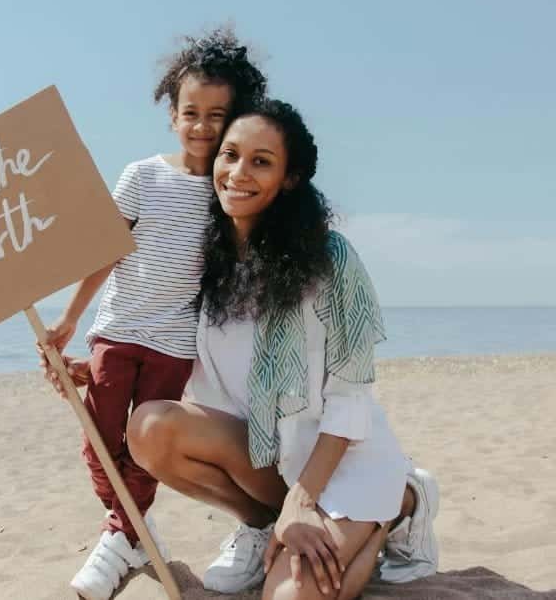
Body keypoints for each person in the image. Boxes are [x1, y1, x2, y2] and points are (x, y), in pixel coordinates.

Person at [115, 98, 440, 599]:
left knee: (289, 596)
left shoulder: (330, 259)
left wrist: (305, 501)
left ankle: (394, 508)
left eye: (261, 161)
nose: (238, 173)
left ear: (289, 178)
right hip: (269, 457)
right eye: (230, 155)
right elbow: (170, 344)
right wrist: (95, 364)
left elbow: (351, 398)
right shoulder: (209, 261)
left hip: (343, 462)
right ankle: (263, 522)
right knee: (150, 429)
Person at [41, 27, 268, 600]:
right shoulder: (143, 175)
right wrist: (70, 320)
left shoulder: (228, 190)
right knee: (98, 441)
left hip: (174, 343)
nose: (202, 126)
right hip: (117, 330)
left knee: (140, 447)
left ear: (234, 118)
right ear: (172, 115)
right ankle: (130, 529)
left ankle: (122, 535)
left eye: (217, 115)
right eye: (190, 112)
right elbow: (104, 248)